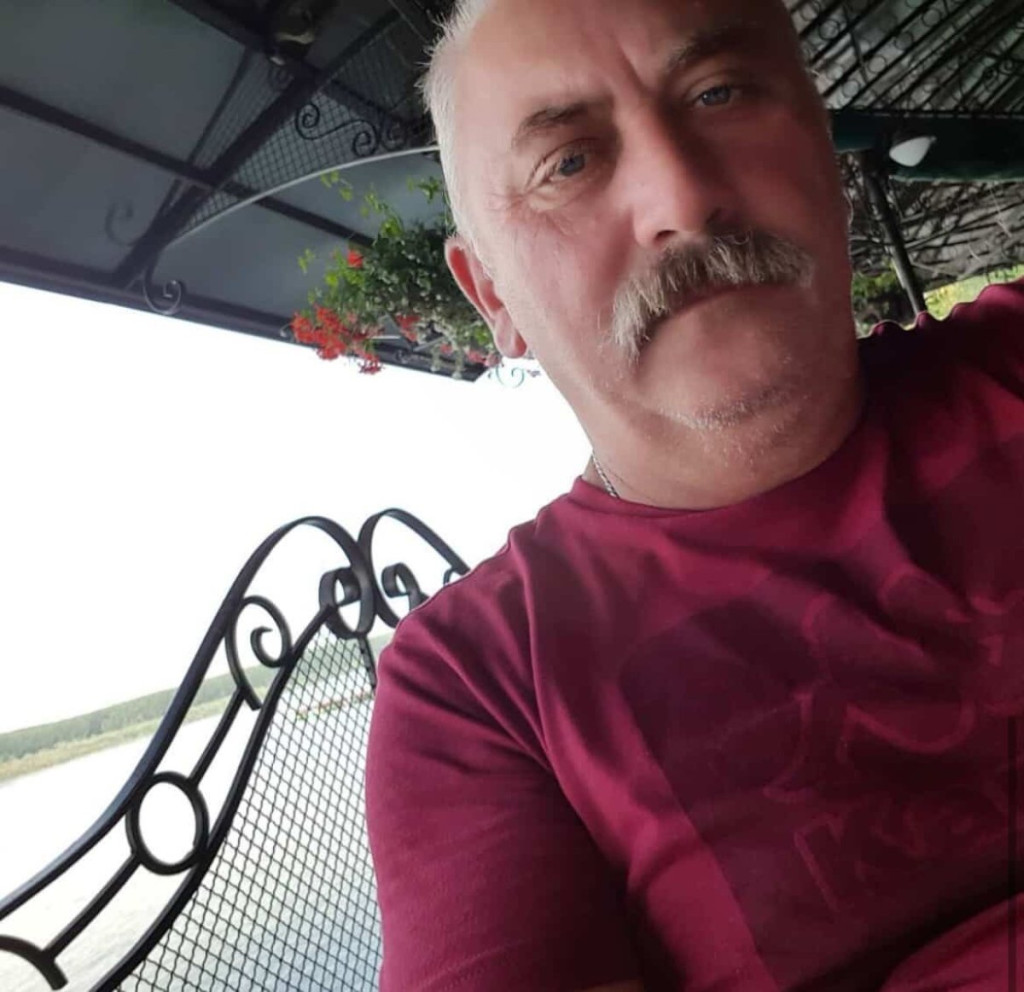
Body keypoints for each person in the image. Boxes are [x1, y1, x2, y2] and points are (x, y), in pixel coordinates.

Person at [365, 0, 1024, 988]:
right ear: (492, 295)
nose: (682, 195)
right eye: (569, 162)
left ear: (825, 156)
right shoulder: (480, 687)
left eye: (720, 94)